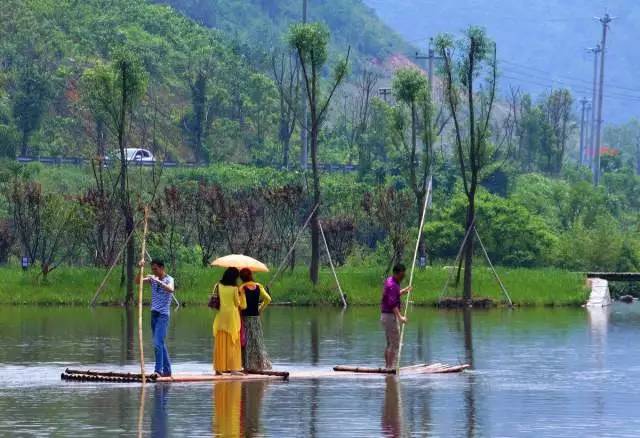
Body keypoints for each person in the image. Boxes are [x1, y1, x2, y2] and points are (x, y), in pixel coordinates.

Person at [136, 259, 175, 377]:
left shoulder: (169, 279)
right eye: (152, 269)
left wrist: (158, 282)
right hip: (154, 314)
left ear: (162, 268)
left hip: (163, 315)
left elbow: (171, 289)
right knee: (160, 343)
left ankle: (158, 370)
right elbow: (138, 282)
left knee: (157, 343)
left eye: (156, 269)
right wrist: (140, 269)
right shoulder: (152, 279)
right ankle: (167, 370)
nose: (154, 271)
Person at [212, 267, 246, 375]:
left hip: (221, 316)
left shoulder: (218, 285)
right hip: (232, 317)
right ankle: (234, 369)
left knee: (220, 343)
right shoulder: (235, 288)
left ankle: (218, 368)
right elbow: (238, 304)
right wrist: (242, 295)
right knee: (233, 343)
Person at [239, 268, 272, 371]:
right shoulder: (258, 286)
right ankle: (260, 365)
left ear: (242, 278)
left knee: (246, 342)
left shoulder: (242, 288)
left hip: (245, 319)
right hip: (256, 319)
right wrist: (260, 309)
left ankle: (247, 366)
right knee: (257, 342)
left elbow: (243, 305)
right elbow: (268, 299)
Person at [380, 263, 412, 369]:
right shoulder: (392, 285)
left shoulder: (391, 281)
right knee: (394, 344)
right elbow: (392, 304)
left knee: (390, 344)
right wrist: (400, 317)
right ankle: (390, 368)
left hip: (386, 316)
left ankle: (388, 367)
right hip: (390, 317)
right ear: (396, 273)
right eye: (402, 275)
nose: (403, 277)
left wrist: (404, 291)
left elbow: (394, 294)